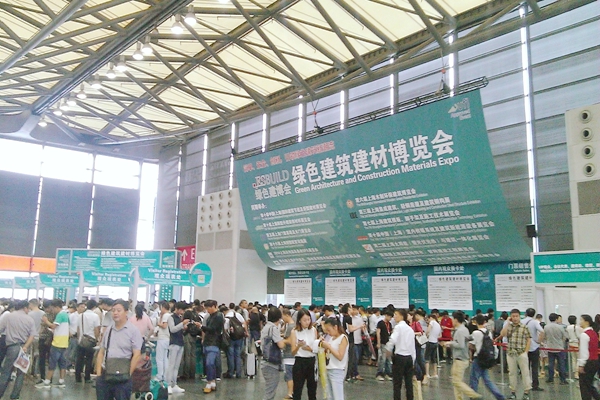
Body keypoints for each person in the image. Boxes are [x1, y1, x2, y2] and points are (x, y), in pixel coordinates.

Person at [95, 299, 143, 400]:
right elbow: (101, 352)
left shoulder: (133, 331)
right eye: (113, 310)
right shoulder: (109, 330)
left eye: (119, 310)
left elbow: (137, 354)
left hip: (123, 377)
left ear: (126, 312)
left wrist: (128, 374)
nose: (115, 313)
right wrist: (99, 375)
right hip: (106, 375)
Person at [0, 300, 36, 400]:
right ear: (25, 308)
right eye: (28, 309)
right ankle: (15, 396)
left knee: (6, 372)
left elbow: (0, 329)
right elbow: (32, 335)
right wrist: (25, 347)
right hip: (24, 348)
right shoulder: (30, 319)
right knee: (20, 373)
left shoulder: (9, 316)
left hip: (11, 347)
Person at [445, 311, 481, 400]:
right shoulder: (464, 329)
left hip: (460, 359)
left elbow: (460, 345)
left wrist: (450, 343)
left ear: (456, 320)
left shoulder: (460, 331)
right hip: (462, 358)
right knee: (456, 382)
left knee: (456, 381)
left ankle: (474, 395)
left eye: (453, 319)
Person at [469, 314, 504, 400]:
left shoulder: (475, 333)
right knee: (487, 380)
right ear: (484, 322)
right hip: (486, 358)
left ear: (476, 322)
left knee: (474, 378)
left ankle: (473, 396)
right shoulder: (488, 333)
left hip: (478, 357)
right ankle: (499, 396)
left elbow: (471, 345)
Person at [37, 299, 69, 389]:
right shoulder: (66, 314)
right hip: (64, 342)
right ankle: (61, 381)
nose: (52, 310)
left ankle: (47, 382)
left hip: (57, 342)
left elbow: (53, 326)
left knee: (52, 363)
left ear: (56, 307)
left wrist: (46, 321)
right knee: (62, 363)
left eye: (52, 308)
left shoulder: (60, 315)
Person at [500, 309, 532, 400]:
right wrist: (507, 322)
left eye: (516, 316)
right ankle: (513, 391)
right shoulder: (509, 327)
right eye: (513, 316)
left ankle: (526, 392)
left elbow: (529, 339)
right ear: (511, 317)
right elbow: (503, 334)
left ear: (519, 316)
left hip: (521, 353)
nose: (515, 318)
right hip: (511, 353)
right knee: (512, 373)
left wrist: (526, 352)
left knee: (525, 372)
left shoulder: (524, 327)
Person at [385, 309, 415, 400]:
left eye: (396, 314)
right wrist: (413, 360)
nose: (394, 316)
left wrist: (388, 349)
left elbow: (393, 339)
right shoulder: (410, 329)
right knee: (409, 383)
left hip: (400, 357)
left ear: (402, 316)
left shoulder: (398, 327)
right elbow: (412, 347)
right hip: (409, 358)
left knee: (397, 383)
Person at [290, 308, 318, 400]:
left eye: (309, 319)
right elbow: (293, 352)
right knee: (297, 390)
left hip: (311, 361)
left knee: (312, 389)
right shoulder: (294, 331)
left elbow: (316, 349)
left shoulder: (313, 330)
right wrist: (298, 346)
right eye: (304, 320)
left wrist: (309, 349)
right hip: (299, 361)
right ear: (299, 320)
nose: (307, 322)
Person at [261, 307, 285, 400]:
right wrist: (287, 340)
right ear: (279, 317)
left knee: (269, 389)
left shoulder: (266, 327)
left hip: (265, 361)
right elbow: (281, 345)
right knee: (270, 392)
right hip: (271, 364)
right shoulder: (273, 328)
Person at [321, 317, 349, 400]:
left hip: (337, 370)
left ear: (335, 327)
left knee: (338, 397)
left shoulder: (343, 338)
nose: (328, 332)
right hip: (329, 368)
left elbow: (340, 356)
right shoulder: (331, 338)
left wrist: (328, 347)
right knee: (330, 397)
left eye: (329, 330)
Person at [166, 301, 190, 394]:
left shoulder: (179, 318)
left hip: (180, 343)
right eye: (182, 310)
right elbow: (172, 329)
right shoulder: (170, 317)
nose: (182, 312)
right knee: (171, 365)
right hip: (173, 344)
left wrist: (184, 327)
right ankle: (168, 384)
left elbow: (178, 329)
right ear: (177, 309)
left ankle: (174, 384)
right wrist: (182, 324)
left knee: (177, 366)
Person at [201, 299, 224, 394]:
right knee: (211, 364)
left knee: (209, 363)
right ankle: (213, 382)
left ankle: (209, 382)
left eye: (208, 308)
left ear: (214, 306)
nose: (207, 310)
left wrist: (201, 327)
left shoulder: (218, 316)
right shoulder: (210, 317)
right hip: (208, 342)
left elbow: (213, 329)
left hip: (214, 343)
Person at [76, 299, 100, 384]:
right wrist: (97, 339)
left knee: (79, 359)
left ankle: (78, 377)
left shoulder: (80, 315)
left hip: (81, 340)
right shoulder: (95, 316)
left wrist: (79, 339)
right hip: (91, 340)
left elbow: (78, 329)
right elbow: (96, 329)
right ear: (94, 307)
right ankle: (87, 377)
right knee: (89, 360)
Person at [522, 308, 544, 391]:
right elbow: (542, 331)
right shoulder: (535, 322)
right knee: (535, 367)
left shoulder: (522, 321)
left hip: (524, 347)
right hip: (534, 346)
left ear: (526, 313)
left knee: (525, 367)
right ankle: (535, 385)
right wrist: (539, 341)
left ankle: (526, 384)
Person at [578, 314, 599, 400]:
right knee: (589, 384)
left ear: (587, 322)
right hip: (595, 361)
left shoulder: (584, 335)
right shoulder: (594, 333)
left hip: (588, 362)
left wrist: (581, 365)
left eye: (581, 320)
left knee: (584, 386)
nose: (580, 322)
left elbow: (584, 351)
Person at [544, 313, 568, 385]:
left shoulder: (546, 327)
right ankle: (562, 380)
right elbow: (564, 337)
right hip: (559, 348)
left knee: (551, 364)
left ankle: (550, 379)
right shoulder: (560, 327)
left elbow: (545, 336)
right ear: (556, 319)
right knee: (561, 364)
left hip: (550, 348)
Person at [223, 302, 246, 379]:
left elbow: (225, 329)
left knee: (230, 355)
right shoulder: (238, 315)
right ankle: (238, 373)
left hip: (231, 338)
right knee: (238, 355)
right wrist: (246, 332)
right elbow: (244, 323)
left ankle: (231, 372)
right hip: (239, 337)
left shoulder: (226, 317)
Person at [154, 301, 170, 382]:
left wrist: (157, 323)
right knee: (165, 358)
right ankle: (165, 375)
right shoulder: (169, 315)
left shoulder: (165, 315)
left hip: (162, 339)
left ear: (163, 307)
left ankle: (160, 375)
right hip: (167, 339)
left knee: (159, 358)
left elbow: (164, 326)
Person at [375, 308, 393, 381]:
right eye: (389, 317)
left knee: (388, 359)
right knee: (383, 359)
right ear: (386, 315)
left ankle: (387, 373)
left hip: (388, 343)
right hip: (383, 343)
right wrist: (378, 343)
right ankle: (379, 373)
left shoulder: (390, 324)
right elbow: (378, 333)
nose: (390, 318)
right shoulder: (380, 323)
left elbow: (390, 332)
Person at [281, 308, 295, 399]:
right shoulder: (290, 325)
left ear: (286, 315)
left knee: (289, 375)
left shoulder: (290, 327)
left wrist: (282, 341)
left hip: (289, 354)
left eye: (282, 316)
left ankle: (290, 393)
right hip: (291, 354)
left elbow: (290, 340)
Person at [425, 313, 441, 380]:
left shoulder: (432, 322)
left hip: (430, 341)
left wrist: (425, 335)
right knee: (433, 358)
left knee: (427, 358)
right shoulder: (438, 324)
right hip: (435, 342)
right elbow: (440, 335)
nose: (428, 321)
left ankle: (427, 373)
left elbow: (428, 330)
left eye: (428, 319)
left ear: (431, 318)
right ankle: (435, 373)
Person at [567, 315, 583, 380]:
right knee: (578, 359)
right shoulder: (577, 327)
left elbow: (567, 336)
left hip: (570, 344)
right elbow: (579, 336)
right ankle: (577, 373)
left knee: (573, 359)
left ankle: (574, 372)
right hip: (577, 344)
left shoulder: (567, 327)